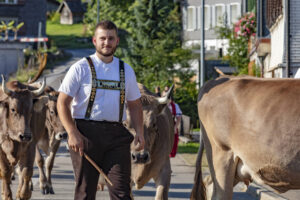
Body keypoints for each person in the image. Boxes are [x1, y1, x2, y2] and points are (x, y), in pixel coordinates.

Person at [57, 20, 144, 200]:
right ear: (94, 41)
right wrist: (72, 132)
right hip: (85, 135)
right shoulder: (80, 68)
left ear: (117, 41)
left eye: (111, 38)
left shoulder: (126, 70)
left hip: (117, 135)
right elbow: (62, 103)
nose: (107, 42)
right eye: (102, 38)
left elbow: (135, 104)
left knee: (122, 192)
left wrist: (140, 132)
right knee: (85, 193)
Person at [162, 86, 182, 157]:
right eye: (164, 96)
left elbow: (179, 117)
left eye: (167, 97)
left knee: (172, 141)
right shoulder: (160, 105)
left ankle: (170, 153)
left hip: (171, 125)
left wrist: (175, 127)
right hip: (162, 125)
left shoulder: (174, 106)